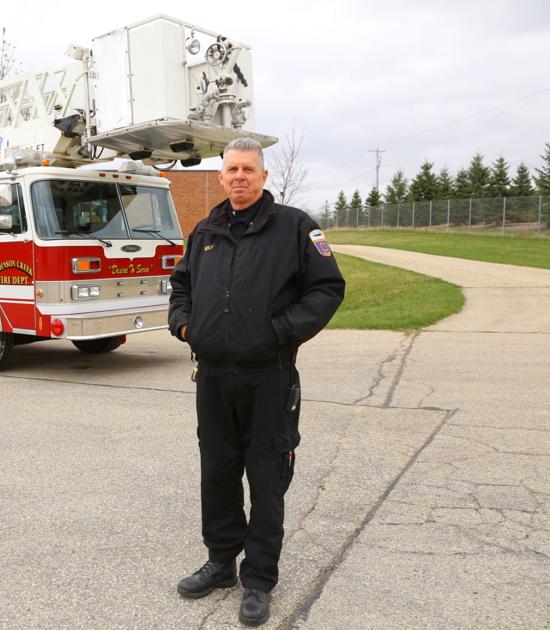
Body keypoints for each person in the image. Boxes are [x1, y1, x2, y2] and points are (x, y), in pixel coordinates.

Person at [168, 137, 345, 626]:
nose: (240, 176)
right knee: (218, 472)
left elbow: (327, 289)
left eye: (249, 168)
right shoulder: (205, 229)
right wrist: (185, 325)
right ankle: (221, 562)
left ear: (264, 176)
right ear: (221, 177)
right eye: (232, 169)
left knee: (266, 479)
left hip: (269, 377)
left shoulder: (294, 227)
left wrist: (279, 333)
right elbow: (180, 286)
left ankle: (260, 579)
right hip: (214, 378)